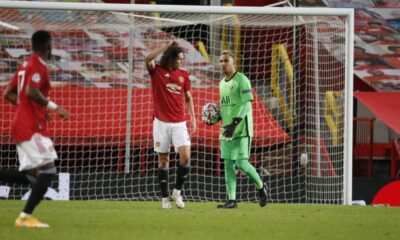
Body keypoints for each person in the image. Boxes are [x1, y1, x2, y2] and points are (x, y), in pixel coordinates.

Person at [1, 30, 69, 228]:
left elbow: (8, 94)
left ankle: (25, 217)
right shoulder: (39, 65)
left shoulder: (24, 65)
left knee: (31, 175)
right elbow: (31, 91)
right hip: (31, 127)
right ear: (48, 46)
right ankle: (24, 217)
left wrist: (35, 109)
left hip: (22, 123)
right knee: (48, 170)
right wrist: (55, 108)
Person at [145, 40, 196, 209]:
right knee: (163, 160)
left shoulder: (183, 75)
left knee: (186, 157)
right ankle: (165, 197)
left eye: (182, 58)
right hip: (161, 123)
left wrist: (193, 119)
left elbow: (188, 99)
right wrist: (166, 46)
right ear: (171, 58)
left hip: (179, 123)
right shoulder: (157, 71)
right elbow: (148, 58)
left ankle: (177, 192)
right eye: (179, 58)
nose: (182, 61)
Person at [214, 51, 267, 208]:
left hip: (241, 129)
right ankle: (232, 200)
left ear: (233, 62)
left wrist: (234, 123)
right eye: (221, 61)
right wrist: (218, 117)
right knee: (228, 165)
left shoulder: (242, 80)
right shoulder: (221, 83)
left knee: (242, 164)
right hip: (226, 129)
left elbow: (246, 104)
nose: (223, 63)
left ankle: (261, 186)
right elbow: (225, 106)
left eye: (226, 60)